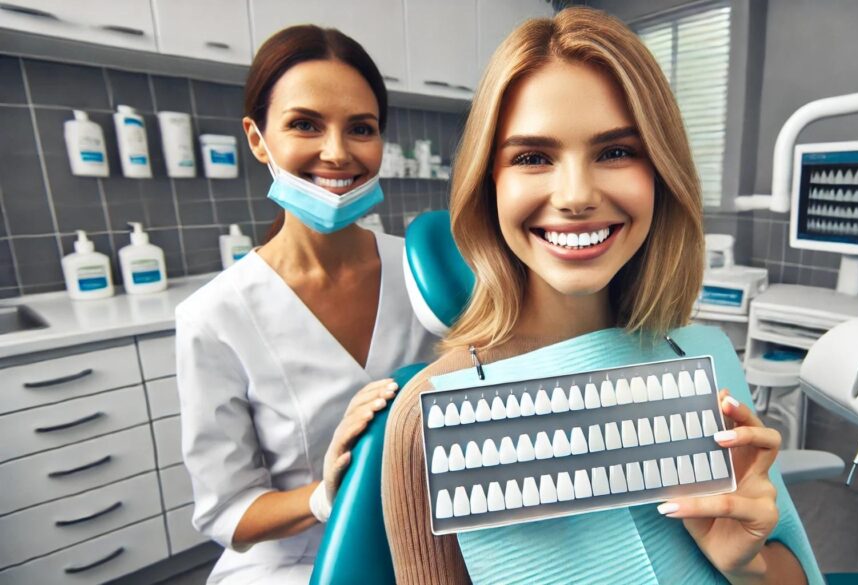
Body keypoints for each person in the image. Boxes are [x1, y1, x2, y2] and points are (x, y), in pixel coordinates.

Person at [381, 8, 813, 585]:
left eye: (615, 152)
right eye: (532, 158)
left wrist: (747, 564)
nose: (577, 195)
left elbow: (794, 574)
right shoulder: (428, 416)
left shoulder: (698, 361)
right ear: (490, 184)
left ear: (661, 173)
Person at [176, 25, 435, 584]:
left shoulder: (428, 273)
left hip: (427, 538)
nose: (337, 152)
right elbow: (229, 513)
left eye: (361, 129)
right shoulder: (214, 316)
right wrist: (323, 497)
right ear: (258, 138)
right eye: (304, 124)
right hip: (296, 561)